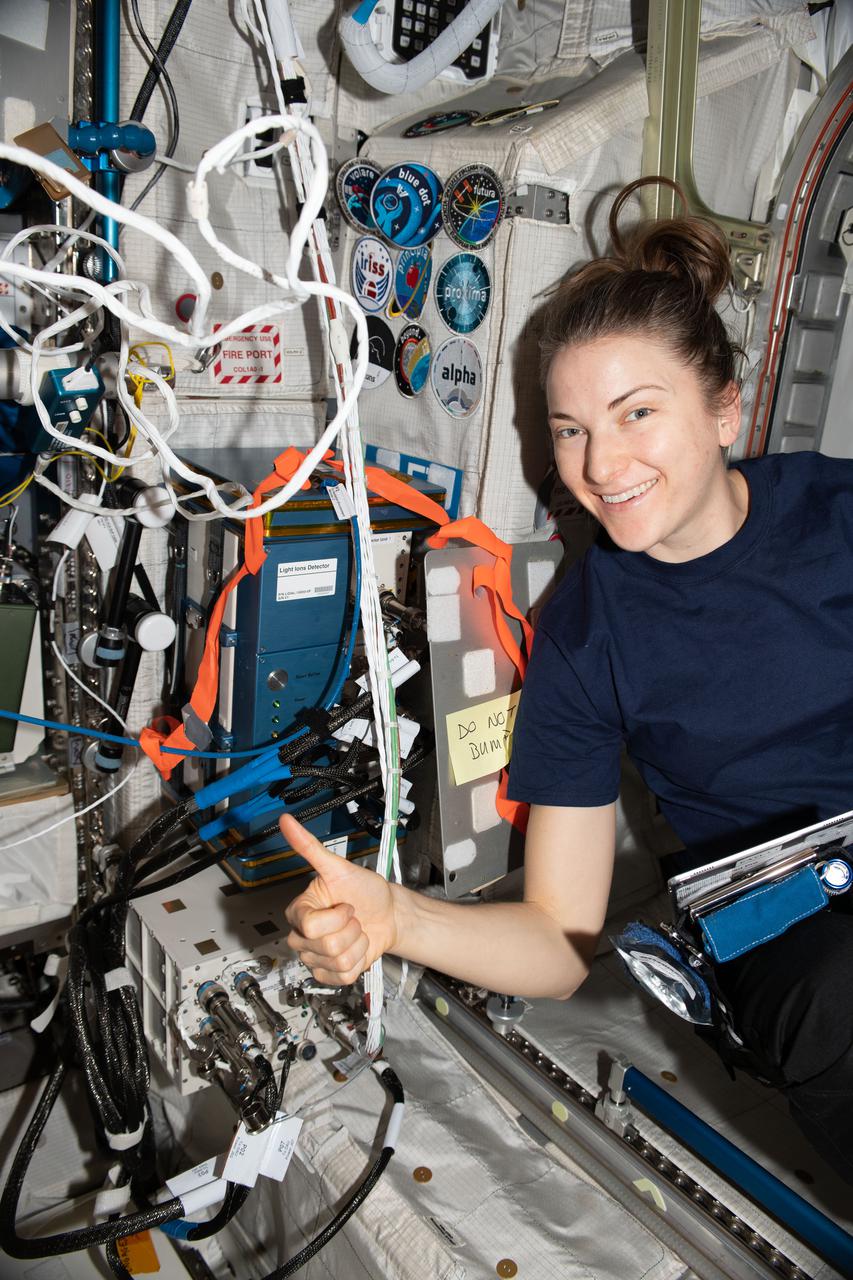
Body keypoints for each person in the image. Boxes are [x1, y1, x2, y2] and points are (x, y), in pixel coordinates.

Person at [281, 177, 853, 1184]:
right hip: (797, 935)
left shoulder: (837, 513)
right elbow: (560, 931)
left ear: (723, 409)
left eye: (637, 412)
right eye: (571, 428)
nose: (600, 461)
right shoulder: (587, 632)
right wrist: (397, 919)